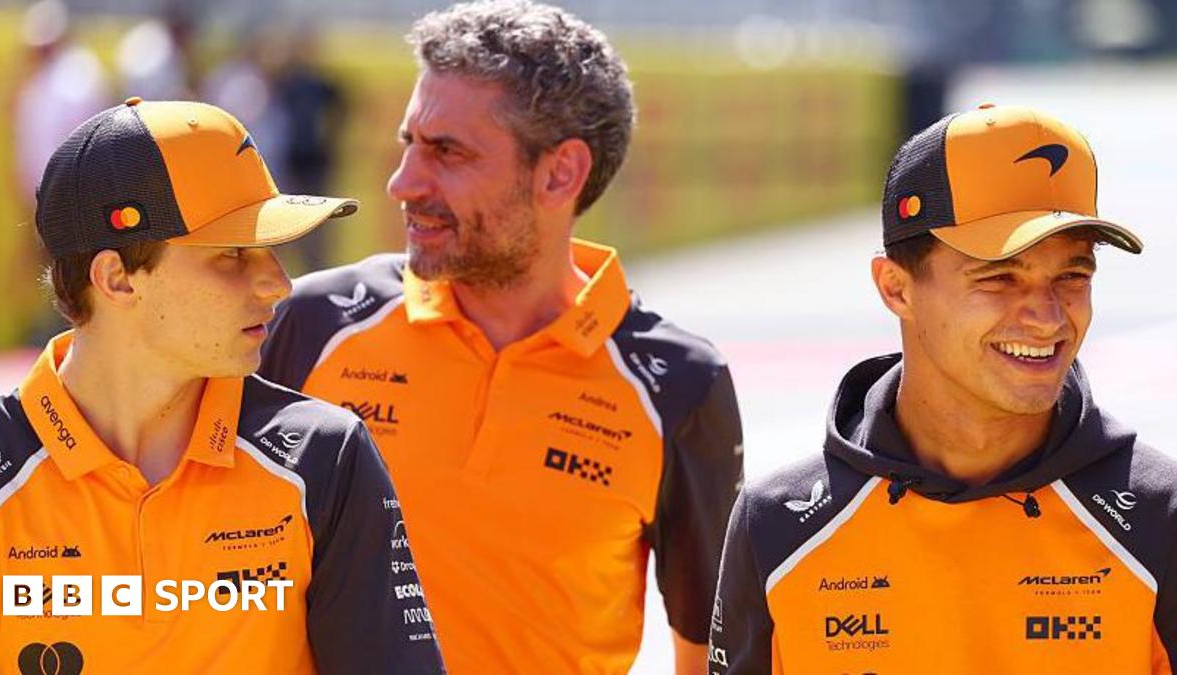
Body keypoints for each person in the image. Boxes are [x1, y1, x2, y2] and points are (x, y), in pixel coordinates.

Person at [258, 1, 743, 672]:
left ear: (560, 173)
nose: (403, 183)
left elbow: (715, 655)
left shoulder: (680, 385)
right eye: (409, 143)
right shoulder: (314, 323)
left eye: (447, 152)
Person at [0, 98, 444, 674]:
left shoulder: (326, 454)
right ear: (117, 278)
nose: (277, 283)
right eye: (232, 255)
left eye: (270, 251)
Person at [709, 104, 1172, 673]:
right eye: (1000, 277)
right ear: (896, 288)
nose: (1049, 317)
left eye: (1072, 275)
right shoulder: (778, 522)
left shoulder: (1159, 516)